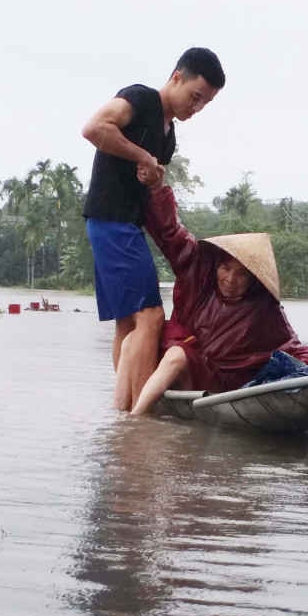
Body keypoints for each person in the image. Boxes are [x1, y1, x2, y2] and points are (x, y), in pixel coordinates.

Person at [81, 47, 225, 410]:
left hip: (125, 223)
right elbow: (94, 128)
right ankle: (143, 419)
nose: (197, 108)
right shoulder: (141, 99)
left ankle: (124, 413)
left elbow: (150, 192)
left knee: (128, 323)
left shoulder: (169, 136)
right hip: (111, 220)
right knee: (152, 316)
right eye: (195, 97)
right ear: (176, 77)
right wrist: (143, 157)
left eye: (204, 104)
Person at [130, 185, 308, 415]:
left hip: (220, 385)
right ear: (216, 265)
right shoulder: (199, 279)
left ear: (252, 280)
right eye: (225, 268)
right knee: (134, 341)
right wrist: (157, 189)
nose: (230, 279)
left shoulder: (265, 310)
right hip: (187, 366)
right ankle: (127, 415)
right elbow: (171, 234)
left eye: (241, 273)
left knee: (177, 355)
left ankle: (135, 417)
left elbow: (295, 350)